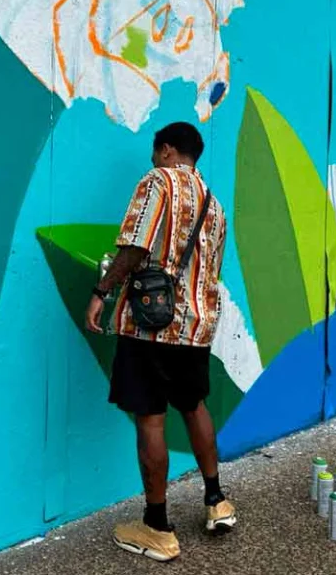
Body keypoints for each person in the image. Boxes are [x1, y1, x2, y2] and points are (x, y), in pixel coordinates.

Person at [85, 121, 234, 563]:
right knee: (194, 406)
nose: (154, 161)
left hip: (151, 325)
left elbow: (136, 246)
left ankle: (157, 527)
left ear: (167, 150)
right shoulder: (214, 205)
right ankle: (216, 501)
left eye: (156, 153)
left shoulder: (158, 181)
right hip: (196, 327)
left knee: (150, 419)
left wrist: (102, 291)